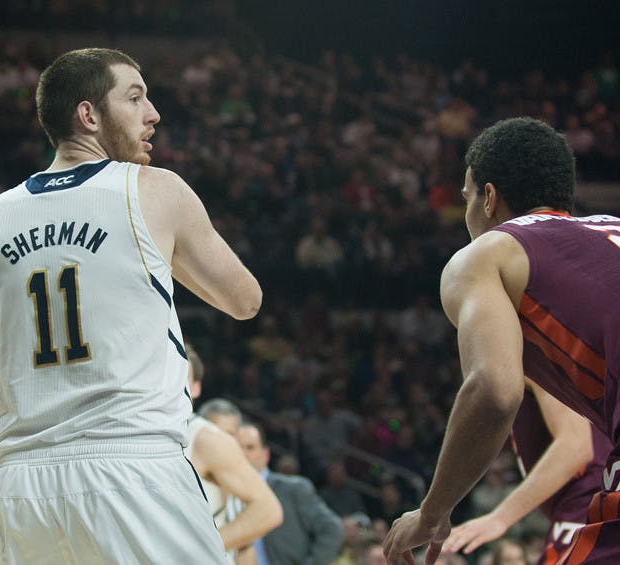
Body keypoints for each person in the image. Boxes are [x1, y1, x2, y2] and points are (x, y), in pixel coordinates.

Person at [0, 47, 262, 564]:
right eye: (135, 97)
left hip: (21, 491)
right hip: (134, 472)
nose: (152, 112)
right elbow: (245, 300)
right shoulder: (153, 191)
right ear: (88, 115)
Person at [382, 117, 620, 564]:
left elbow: (494, 389)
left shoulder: (490, 253)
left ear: (488, 198)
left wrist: (433, 511)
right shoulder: (609, 231)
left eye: (467, 199)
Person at [443, 381, 613, 564]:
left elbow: (576, 447)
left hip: (588, 505)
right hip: (583, 507)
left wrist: (500, 518)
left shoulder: (532, 358)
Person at [184, 345, 283, 563]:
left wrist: (195, 553)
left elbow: (268, 511)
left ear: (196, 387)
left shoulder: (204, 437)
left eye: (183, 375)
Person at [237, 422, 343, 564]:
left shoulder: (293, 489)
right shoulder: (223, 493)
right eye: (237, 448)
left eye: (250, 447)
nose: (243, 454)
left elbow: (332, 528)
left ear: (265, 454)